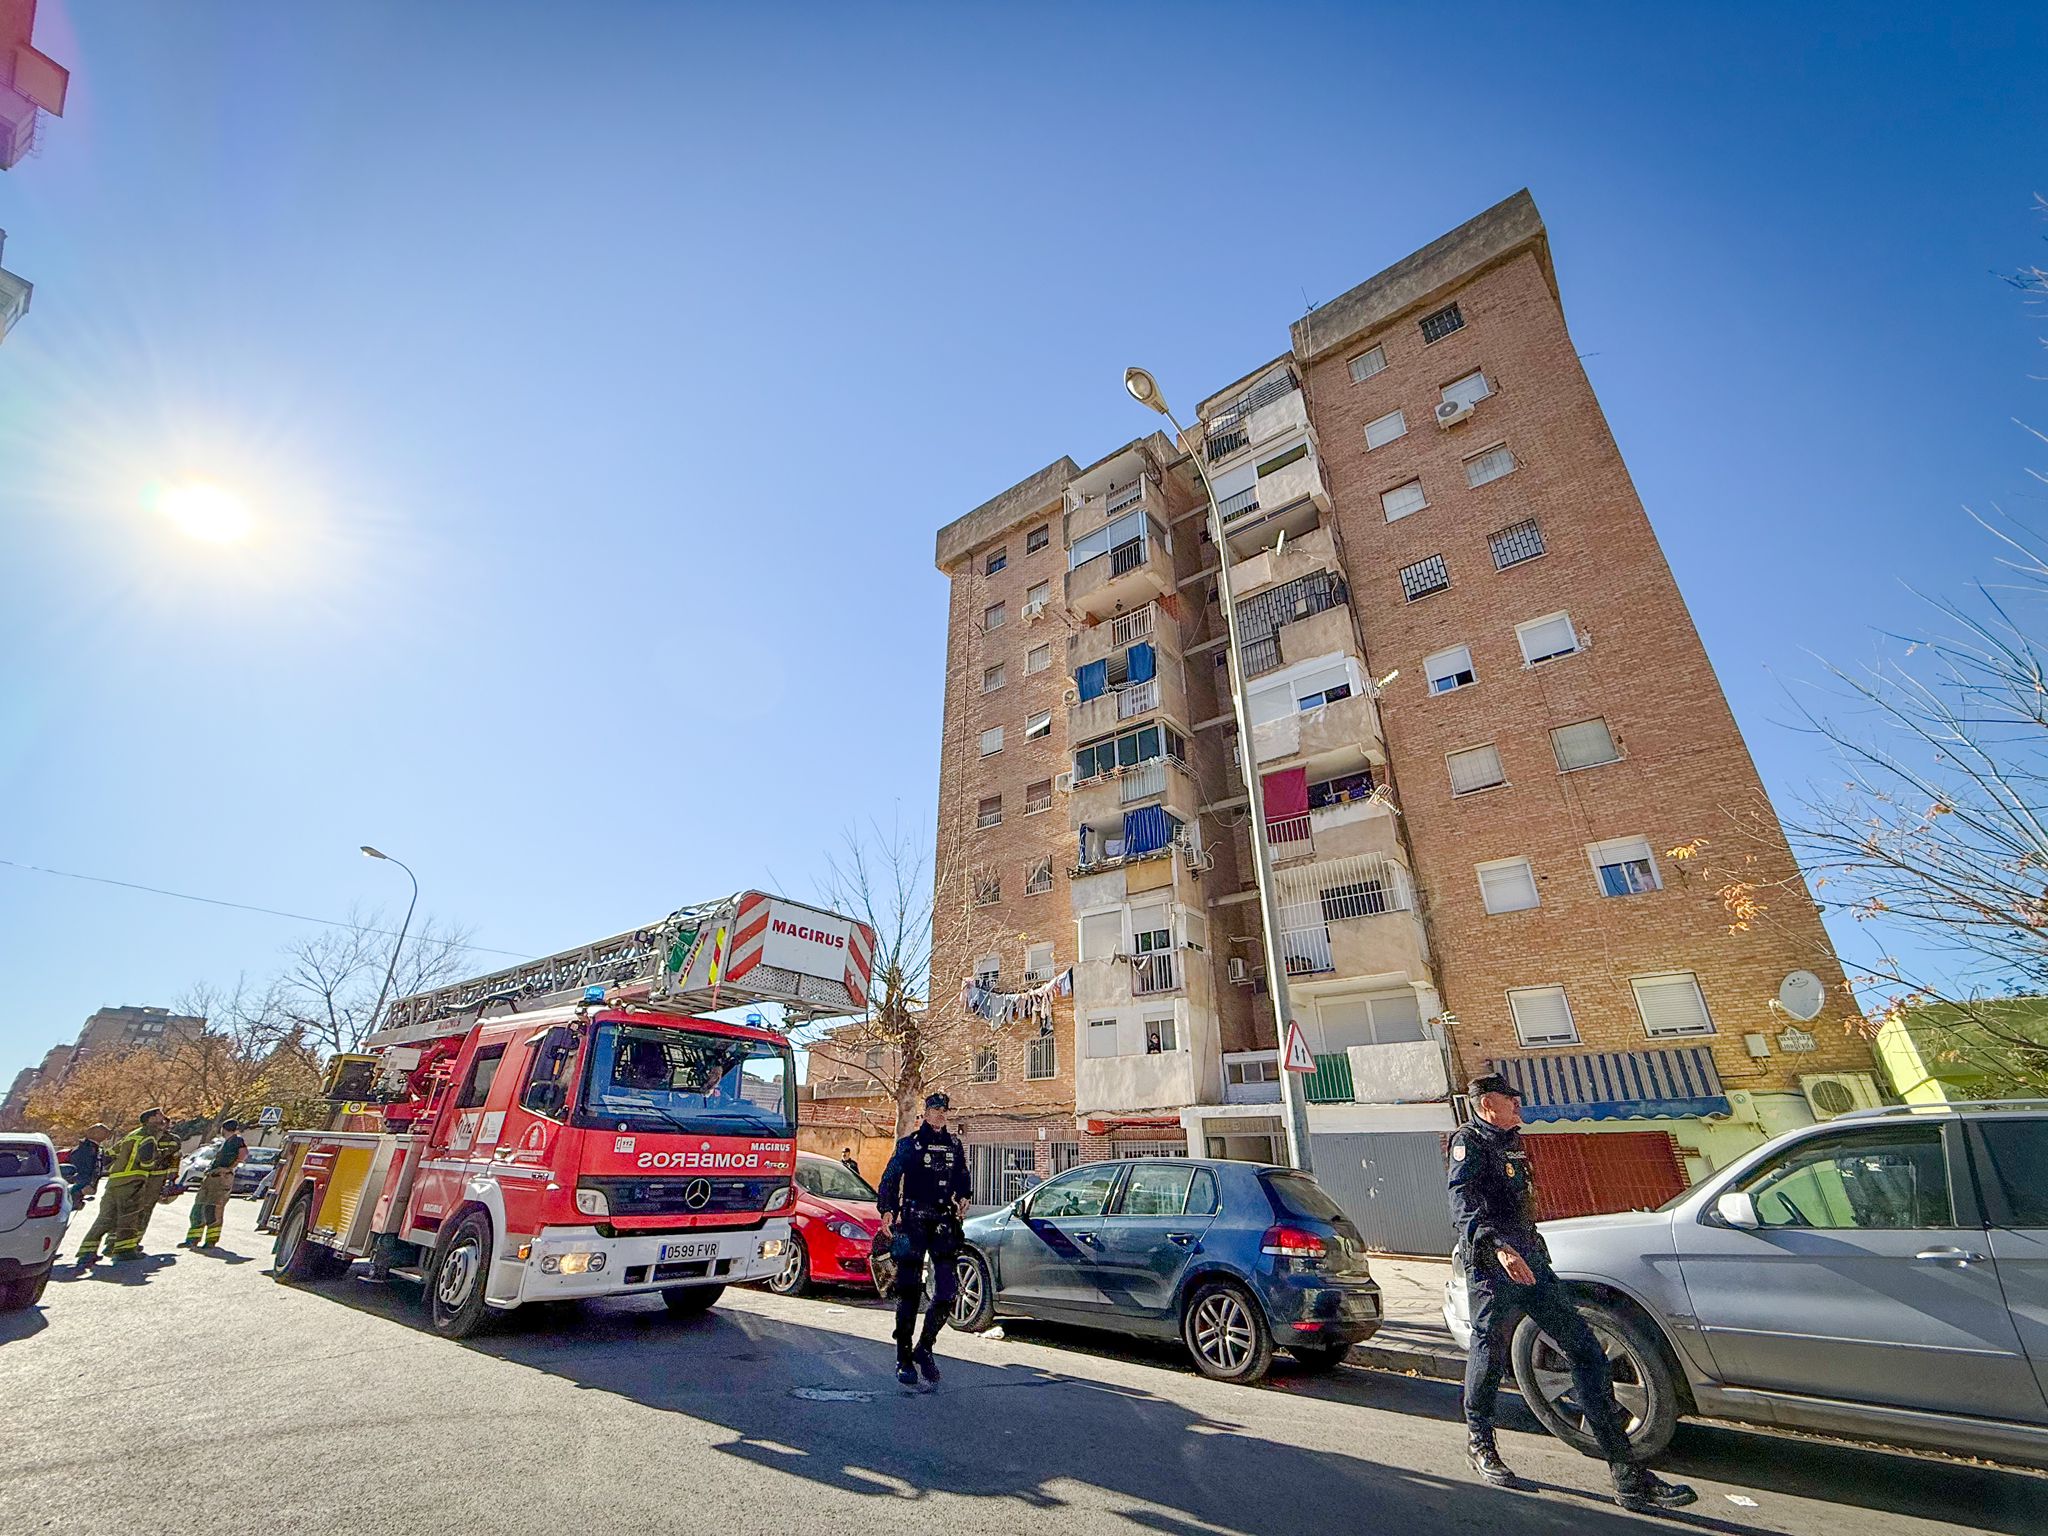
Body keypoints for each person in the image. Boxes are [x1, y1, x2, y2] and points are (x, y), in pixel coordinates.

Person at [1449, 1075, 1696, 1513]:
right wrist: (1499, 1248)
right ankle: (1480, 1442)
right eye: (1512, 1100)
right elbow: (1463, 1205)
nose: (1519, 1107)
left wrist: (1526, 1249)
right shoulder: (1468, 1143)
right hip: (1494, 1269)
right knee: (1489, 1352)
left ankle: (1627, 1474)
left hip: (1533, 1264)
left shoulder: (1511, 1143)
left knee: (1586, 1351)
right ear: (1488, 1103)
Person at [876, 1091, 972, 1387]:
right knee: (909, 1291)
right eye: (934, 1109)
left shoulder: (955, 1146)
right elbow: (890, 1178)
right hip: (915, 1219)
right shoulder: (911, 1145)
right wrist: (887, 1210)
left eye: (944, 1109)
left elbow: (962, 1178)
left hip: (943, 1222)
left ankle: (924, 1348)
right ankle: (903, 1357)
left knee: (947, 1291)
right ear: (925, 1113)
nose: (940, 1114)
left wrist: (965, 1196)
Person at [73, 1108, 178, 1265]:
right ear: (151, 1119)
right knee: (129, 1216)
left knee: (105, 1218)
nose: (164, 1120)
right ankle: (124, 1251)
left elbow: (110, 1154)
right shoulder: (147, 1138)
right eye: (160, 1117)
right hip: (132, 1183)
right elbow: (147, 1163)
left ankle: (87, 1252)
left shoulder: (132, 1135)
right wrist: (161, 1155)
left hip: (114, 1183)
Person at [181, 1119, 246, 1249]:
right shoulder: (226, 1142)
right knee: (199, 1207)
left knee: (213, 1209)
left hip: (221, 1178)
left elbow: (243, 1155)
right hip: (211, 1177)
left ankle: (211, 1241)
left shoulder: (237, 1141)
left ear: (224, 1128)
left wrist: (229, 1169)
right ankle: (192, 1239)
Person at [61, 1123, 113, 1205]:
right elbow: (82, 1169)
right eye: (103, 1132)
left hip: (85, 1188)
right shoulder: (85, 1150)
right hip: (80, 1188)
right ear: (94, 1134)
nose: (107, 1134)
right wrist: (83, 1187)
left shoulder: (96, 1149)